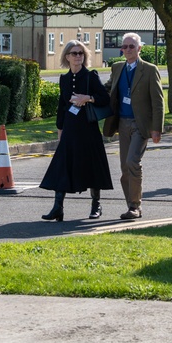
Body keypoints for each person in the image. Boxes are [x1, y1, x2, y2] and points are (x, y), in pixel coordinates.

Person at [39, 40, 113, 221]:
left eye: (81, 53)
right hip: (70, 128)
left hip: (88, 128)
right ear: (67, 57)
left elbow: (105, 99)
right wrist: (60, 128)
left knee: (92, 166)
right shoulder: (64, 79)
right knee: (62, 165)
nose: (78, 56)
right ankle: (58, 208)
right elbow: (62, 106)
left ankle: (96, 205)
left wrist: (87, 98)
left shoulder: (91, 76)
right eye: (74, 53)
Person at [103, 33, 164, 220]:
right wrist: (89, 93)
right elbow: (108, 89)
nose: (127, 50)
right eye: (125, 46)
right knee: (124, 167)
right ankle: (130, 205)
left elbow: (158, 101)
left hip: (141, 124)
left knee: (132, 162)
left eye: (131, 46)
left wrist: (157, 128)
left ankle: (136, 206)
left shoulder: (150, 69)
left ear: (139, 49)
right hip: (122, 123)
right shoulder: (117, 68)